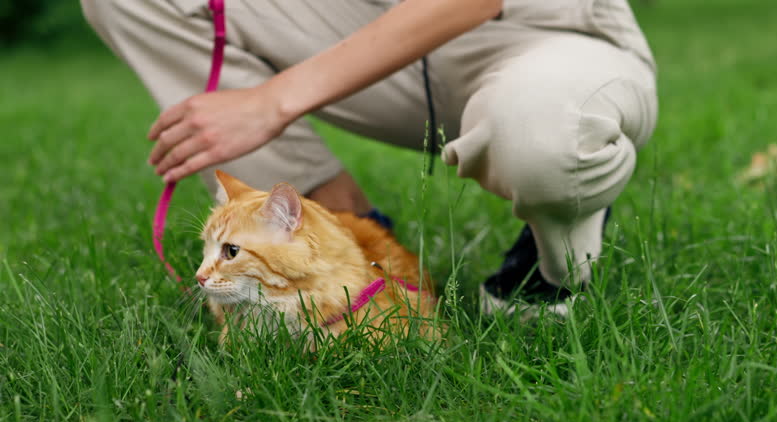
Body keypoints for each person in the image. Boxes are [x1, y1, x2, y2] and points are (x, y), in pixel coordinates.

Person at [81, 0, 658, 312]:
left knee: (544, 135)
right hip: (371, 24)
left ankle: (551, 268)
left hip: (545, 33)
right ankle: (344, 235)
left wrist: (272, 101)